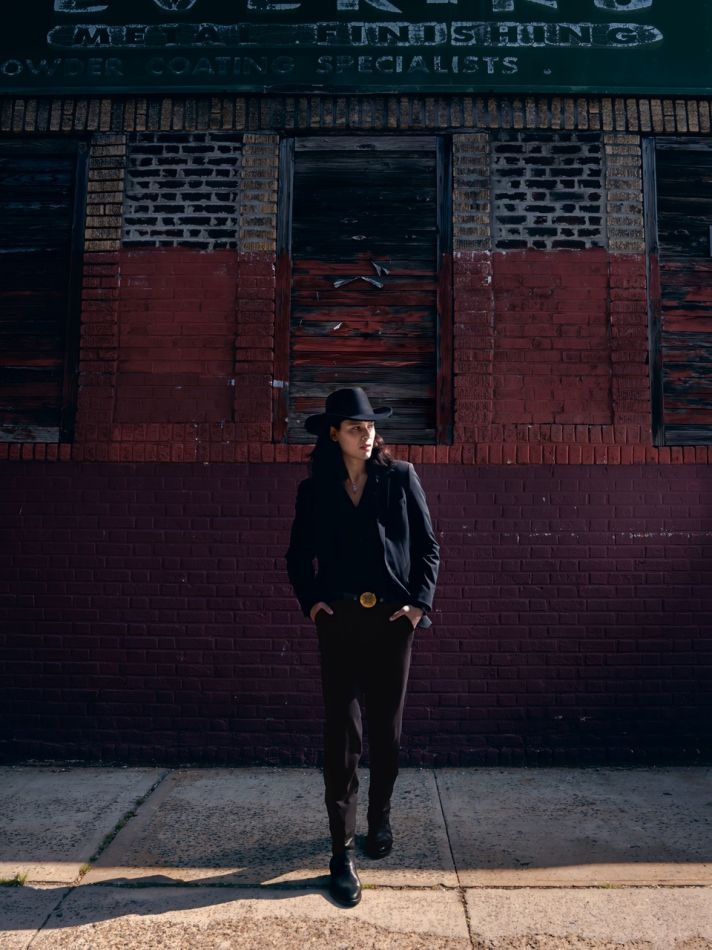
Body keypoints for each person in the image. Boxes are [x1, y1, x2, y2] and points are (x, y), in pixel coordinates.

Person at [285, 387, 440, 907]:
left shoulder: (400, 478)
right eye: (355, 428)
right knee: (342, 737)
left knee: (386, 733)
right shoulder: (315, 490)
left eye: (370, 427)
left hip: (393, 623)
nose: (366, 435)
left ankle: (381, 819)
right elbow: (296, 556)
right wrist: (313, 604)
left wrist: (418, 606)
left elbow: (428, 548)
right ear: (334, 435)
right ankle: (341, 852)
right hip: (340, 625)